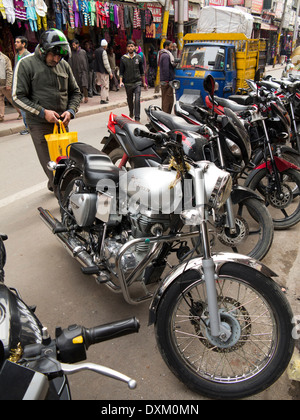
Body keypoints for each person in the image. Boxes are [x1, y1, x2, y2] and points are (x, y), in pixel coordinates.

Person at [12, 28, 82, 192]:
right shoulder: (26, 64)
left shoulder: (63, 65)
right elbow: (17, 96)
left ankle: (55, 185)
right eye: (53, 54)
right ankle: (64, 199)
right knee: (53, 167)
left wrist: (70, 111)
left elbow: (76, 92)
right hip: (39, 124)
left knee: (66, 162)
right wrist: (43, 112)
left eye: (60, 55)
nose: (57, 59)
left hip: (61, 124)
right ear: (43, 50)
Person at [119, 40, 147, 121]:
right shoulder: (123, 58)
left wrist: (144, 83)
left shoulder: (138, 57)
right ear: (127, 48)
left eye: (132, 46)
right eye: (129, 46)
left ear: (135, 47)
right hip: (128, 83)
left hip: (137, 82)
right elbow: (121, 72)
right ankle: (131, 112)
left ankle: (137, 118)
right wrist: (121, 82)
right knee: (130, 100)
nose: (130, 48)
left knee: (137, 99)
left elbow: (142, 71)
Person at [14, 36, 31, 134]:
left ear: (23, 44)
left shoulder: (28, 55)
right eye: (15, 42)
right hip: (19, 84)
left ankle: (29, 127)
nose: (16, 43)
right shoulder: (17, 56)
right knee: (22, 106)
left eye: (18, 42)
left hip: (26, 84)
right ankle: (27, 126)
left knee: (26, 107)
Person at [0, 51, 22, 123]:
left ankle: (21, 113)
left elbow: (9, 71)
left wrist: (9, 84)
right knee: (0, 101)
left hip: (5, 83)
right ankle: (1, 116)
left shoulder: (4, 58)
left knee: (12, 99)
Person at [158, 40, 176, 114]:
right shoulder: (165, 55)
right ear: (166, 46)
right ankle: (165, 115)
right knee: (167, 99)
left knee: (166, 98)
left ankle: (165, 114)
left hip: (165, 80)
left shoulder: (163, 54)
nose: (172, 48)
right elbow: (165, 69)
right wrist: (167, 81)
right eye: (171, 46)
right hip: (167, 81)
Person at [69, 39, 89, 103]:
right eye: (72, 45)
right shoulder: (71, 54)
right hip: (75, 72)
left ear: (78, 45)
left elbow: (86, 61)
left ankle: (86, 96)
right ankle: (80, 97)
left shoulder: (83, 52)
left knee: (84, 84)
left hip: (83, 71)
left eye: (74, 45)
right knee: (78, 85)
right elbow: (70, 63)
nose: (73, 46)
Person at [94, 39, 112, 104]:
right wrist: (110, 72)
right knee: (105, 85)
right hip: (103, 71)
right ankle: (103, 99)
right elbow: (106, 63)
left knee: (102, 84)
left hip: (98, 71)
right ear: (105, 45)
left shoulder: (96, 51)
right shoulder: (103, 52)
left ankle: (105, 97)